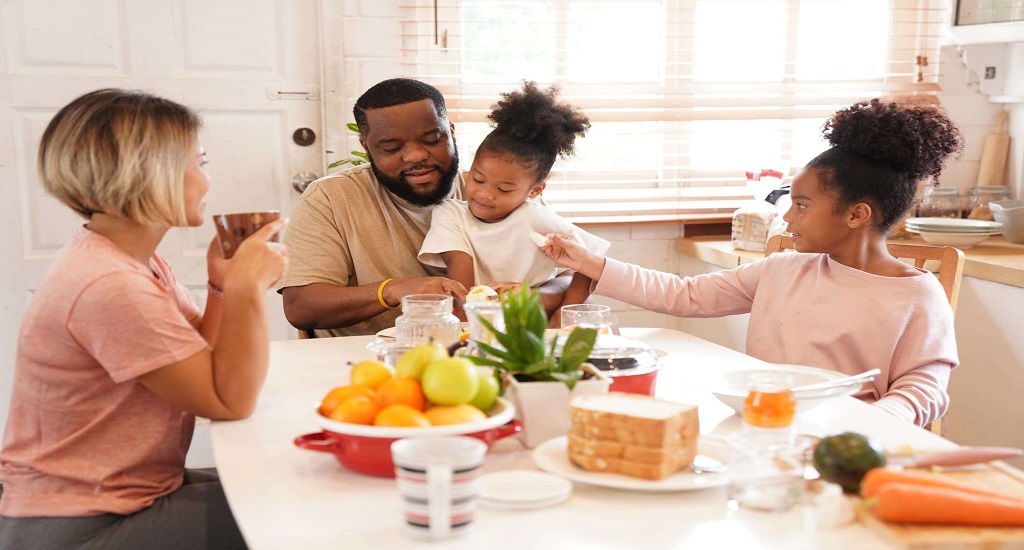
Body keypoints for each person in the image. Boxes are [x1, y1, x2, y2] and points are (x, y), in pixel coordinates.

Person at [540, 98, 963, 427]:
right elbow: (684, 295)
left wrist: (870, 425)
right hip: (765, 424)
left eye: (801, 205)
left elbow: (923, 387)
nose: (788, 217)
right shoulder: (782, 269)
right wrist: (590, 262)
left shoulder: (916, 295)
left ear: (856, 215)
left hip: (850, 444)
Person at [0, 89, 288, 549]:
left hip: (120, 496)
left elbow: (201, 356)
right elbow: (227, 402)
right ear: (149, 170)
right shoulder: (109, 284)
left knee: (288, 477)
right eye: (199, 162)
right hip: (79, 525)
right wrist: (247, 289)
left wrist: (220, 284)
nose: (207, 181)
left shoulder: (130, 260)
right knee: (296, 509)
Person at [280, 78, 571, 337]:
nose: (416, 156)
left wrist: (536, 297)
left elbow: (567, 274)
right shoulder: (332, 198)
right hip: (364, 361)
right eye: (392, 147)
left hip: (479, 354)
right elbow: (301, 307)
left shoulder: (496, 191)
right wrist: (392, 290)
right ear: (366, 147)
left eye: (432, 139)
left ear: (451, 132)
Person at [417, 81, 609, 322]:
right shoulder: (449, 214)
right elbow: (461, 288)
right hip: (479, 314)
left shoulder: (537, 217)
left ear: (535, 190)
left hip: (533, 317)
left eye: (504, 189)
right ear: (469, 172)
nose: (486, 194)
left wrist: (563, 314)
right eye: (478, 179)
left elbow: (588, 263)